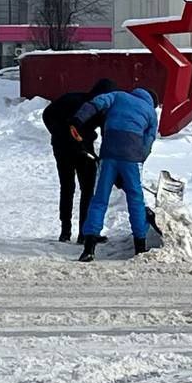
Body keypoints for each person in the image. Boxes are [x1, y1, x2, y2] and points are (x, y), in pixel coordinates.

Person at [71, 87, 160, 262]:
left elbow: (96, 103)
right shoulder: (150, 112)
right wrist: (136, 159)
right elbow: (148, 141)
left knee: (99, 199)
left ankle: (88, 249)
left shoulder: (118, 96)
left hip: (108, 154)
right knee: (135, 199)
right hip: (132, 158)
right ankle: (140, 248)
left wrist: (77, 120)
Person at [43, 78, 117, 242]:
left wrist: (57, 133)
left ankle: (66, 232)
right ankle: (83, 233)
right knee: (87, 190)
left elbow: (47, 114)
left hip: (65, 148)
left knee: (67, 187)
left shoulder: (72, 98)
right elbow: (105, 133)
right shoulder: (97, 107)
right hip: (77, 150)